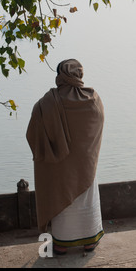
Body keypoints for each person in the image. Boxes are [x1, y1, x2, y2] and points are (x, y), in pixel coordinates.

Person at [26, 59, 105, 255]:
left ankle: (61, 244)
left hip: (59, 168)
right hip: (86, 166)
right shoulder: (92, 98)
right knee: (86, 201)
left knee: (61, 203)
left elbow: (32, 132)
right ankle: (89, 242)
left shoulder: (47, 102)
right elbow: (97, 126)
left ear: (60, 75)